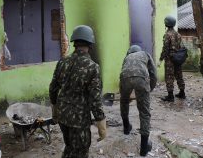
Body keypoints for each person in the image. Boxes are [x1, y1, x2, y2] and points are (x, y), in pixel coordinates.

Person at [49, 25, 106, 158]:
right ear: (90, 44)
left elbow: (53, 88)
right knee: (80, 152)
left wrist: (55, 111)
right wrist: (101, 125)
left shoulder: (62, 62)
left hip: (63, 116)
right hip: (79, 120)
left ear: (75, 42)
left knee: (69, 147)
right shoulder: (93, 67)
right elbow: (95, 100)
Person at [120, 45, 157, 156]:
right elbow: (153, 73)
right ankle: (144, 148)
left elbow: (122, 74)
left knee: (124, 102)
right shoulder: (145, 54)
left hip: (125, 79)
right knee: (144, 112)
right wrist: (150, 88)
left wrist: (124, 95)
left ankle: (126, 127)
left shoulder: (127, 57)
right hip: (141, 78)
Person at [159, 15, 185, 102]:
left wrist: (160, 59)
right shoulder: (178, 34)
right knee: (179, 75)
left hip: (170, 59)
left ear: (166, 24)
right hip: (178, 58)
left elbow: (165, 48)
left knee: (169, 76)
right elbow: (181, 46)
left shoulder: (167, 35)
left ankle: (170, 96)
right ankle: (182, 93)